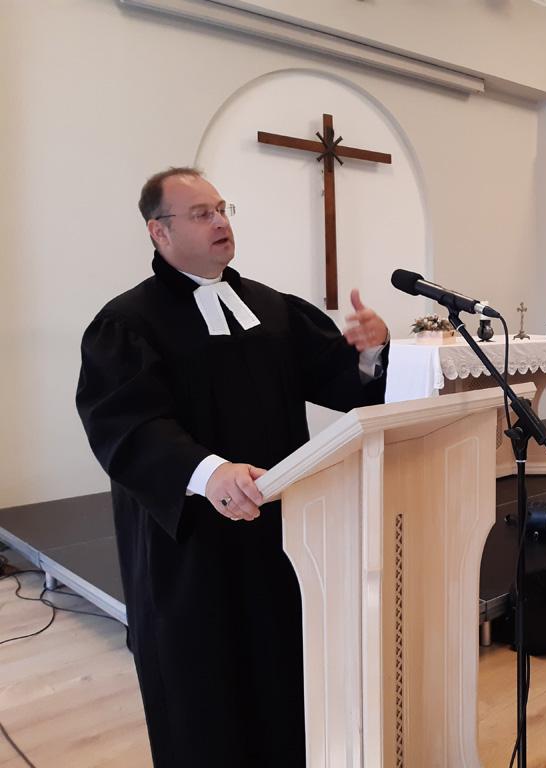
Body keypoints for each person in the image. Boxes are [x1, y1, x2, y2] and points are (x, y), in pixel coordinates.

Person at [76, 167, 390, 768]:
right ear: (159, 232)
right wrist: (207, 471)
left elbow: (340, 382)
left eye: (222, 209)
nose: (220, 221)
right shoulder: (127, 323)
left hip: (276, 534)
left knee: (280, 676)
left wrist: (371, 353)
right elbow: (127, 425)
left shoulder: (272, 309)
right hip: (190, 547)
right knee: (201, 692)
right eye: (202, 213)